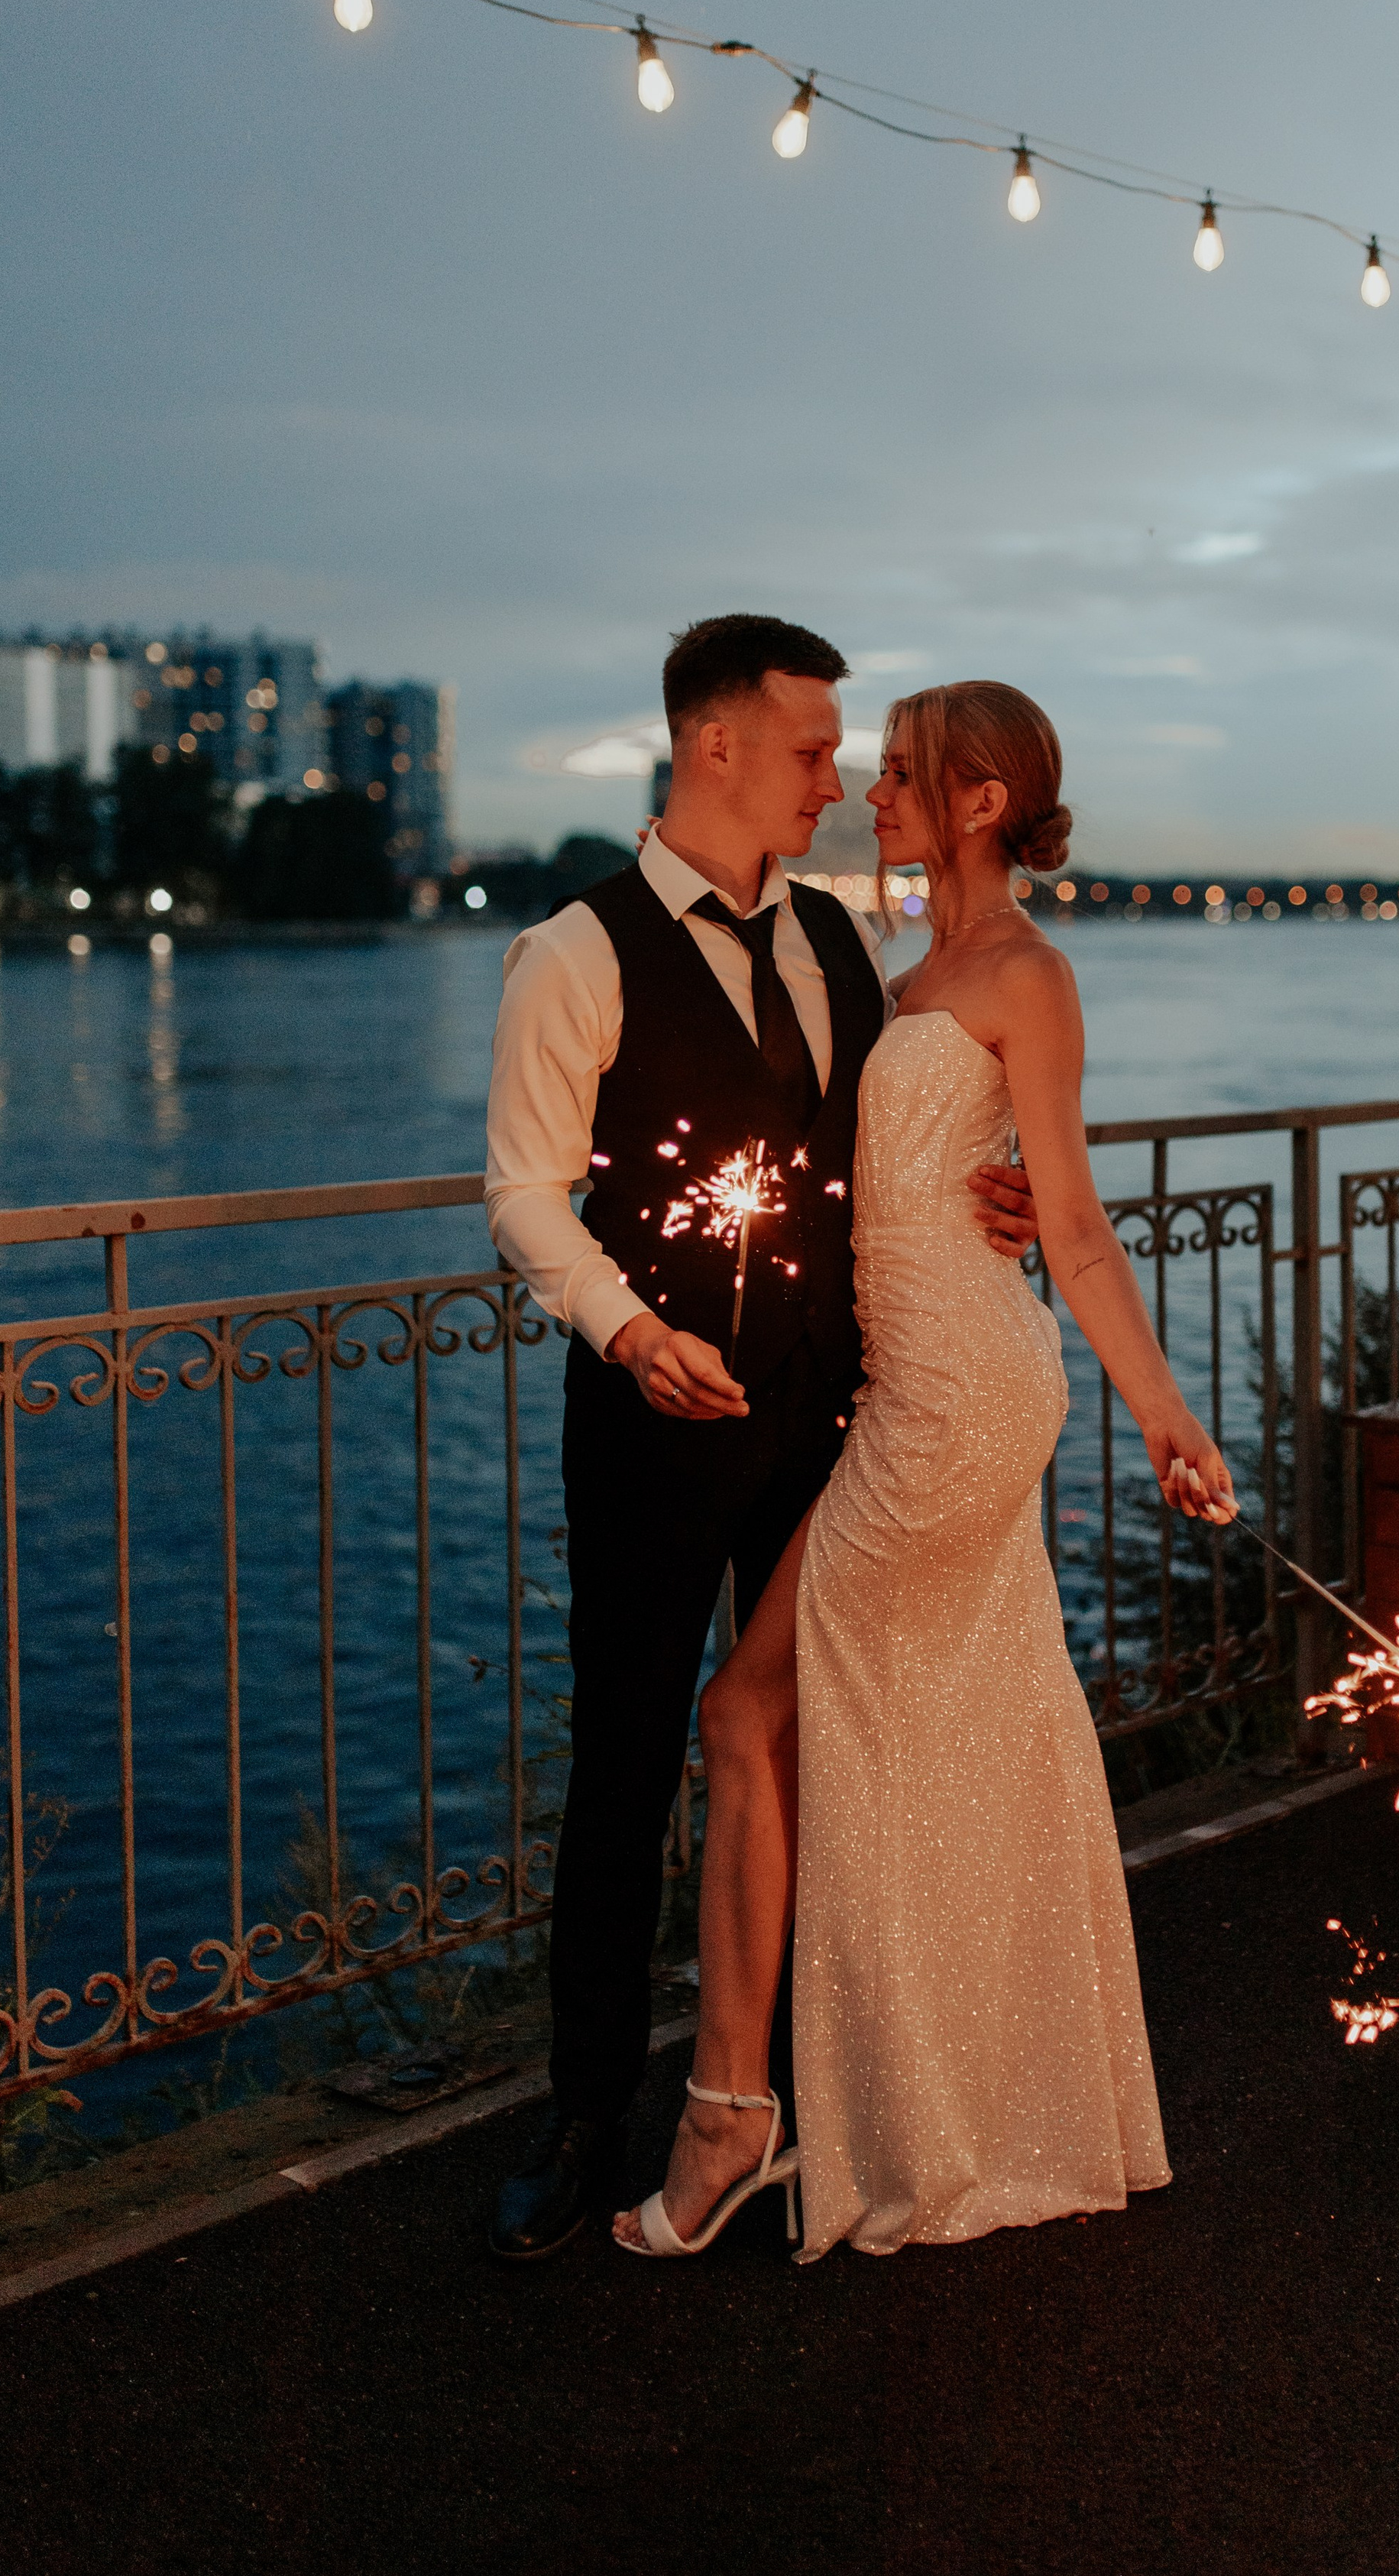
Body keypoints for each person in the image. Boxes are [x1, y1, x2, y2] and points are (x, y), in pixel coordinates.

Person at [614, 680, 1236, 2262]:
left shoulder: (1024, 971)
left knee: (752, 1711)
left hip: (959, 1394)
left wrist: (1162, 1416)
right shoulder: (904, 971)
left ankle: (735, 2121)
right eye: (873, 770)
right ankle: (936, 2098)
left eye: (898, 774)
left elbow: (1075, 1224)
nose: (872, 793)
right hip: (910, 1384)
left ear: (976, 801)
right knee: (951, 1737)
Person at [482, 617, 1038, 2260]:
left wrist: (985, 1197)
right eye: (811, 747)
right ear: (713, 745)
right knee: (628, 1753)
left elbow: (884, 1149)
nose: (837, 778)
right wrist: (629, 1330)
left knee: (803, 1735)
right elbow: (521, 1185)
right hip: (652, 1419)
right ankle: (589, 2115)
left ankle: (791, 2085)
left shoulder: (839, 945)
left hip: (827, 1415)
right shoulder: (570, 953)